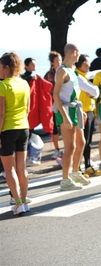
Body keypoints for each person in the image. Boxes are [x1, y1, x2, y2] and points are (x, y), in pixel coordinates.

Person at [53, 43, 91, 191]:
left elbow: (74, 92)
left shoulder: (72, 70)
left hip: (75, 109)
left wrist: (80, 109)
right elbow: (56, 95)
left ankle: (75, 172)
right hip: (66, 111)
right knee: (70, 146)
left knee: (81, 142)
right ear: (74, 52)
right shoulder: (62, 71)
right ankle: (65, 179)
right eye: (78, 53)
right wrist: (65, 117)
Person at [0, 52, 31, 215]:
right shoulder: (24, 83)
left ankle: (18, 203)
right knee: (21, 167)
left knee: (9, 169)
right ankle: (24, 201)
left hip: (7, 129)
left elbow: (1, 114)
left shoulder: (3, 85)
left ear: (6, 67)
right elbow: (28, 109)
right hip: (24, 128)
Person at [74, 54, 101, 177]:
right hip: (83, 112)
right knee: (82, 142)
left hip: (89, 111)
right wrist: (93, 91)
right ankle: (78, 168)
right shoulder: (78, 77)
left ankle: (87, 165)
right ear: (80, 64)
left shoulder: (84, 76)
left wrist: (93, 93)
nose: (89, 65)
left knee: (88, 141)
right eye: (86, 63)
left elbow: (94, 92)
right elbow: (95, 91)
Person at [44, 51, 63, 159]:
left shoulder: (65, 72)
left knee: (66, 127)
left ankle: (68, 148)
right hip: (53, 105)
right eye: (57, 61)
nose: (59, 62)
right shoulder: (49, 75)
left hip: (64, 103)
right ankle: (57, 149)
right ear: (52, 63)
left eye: (60, 60)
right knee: (55, 128)